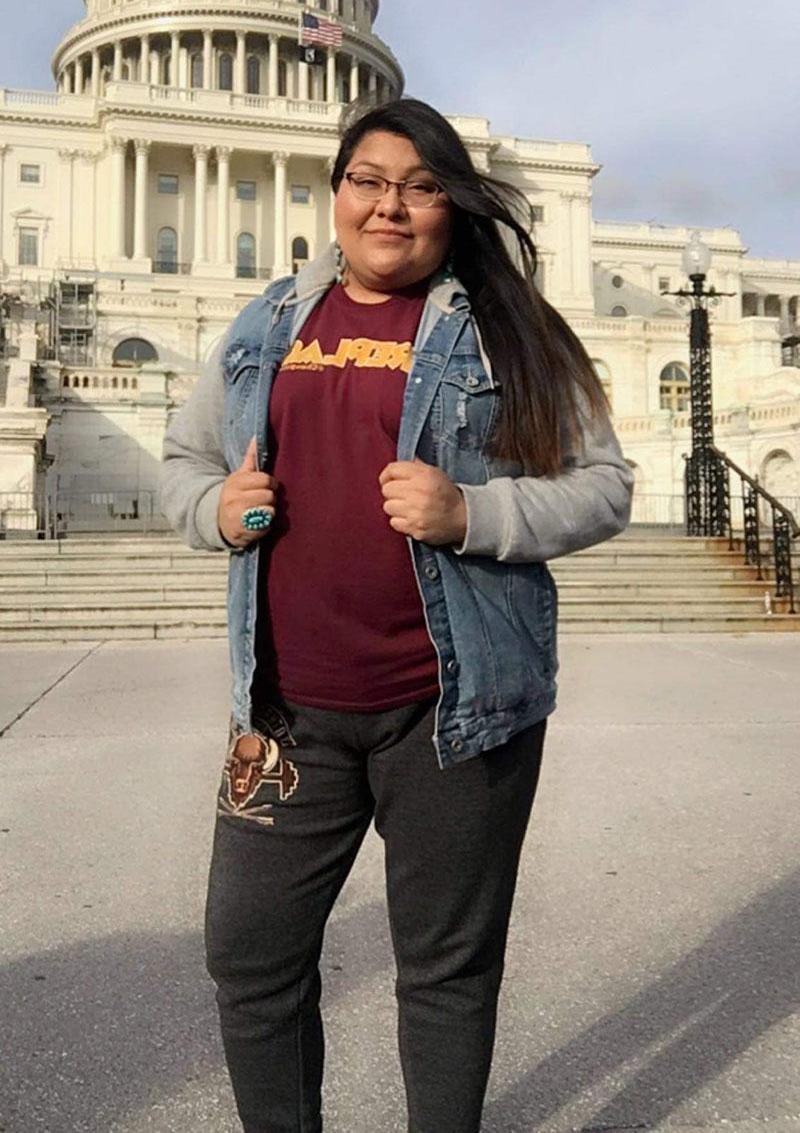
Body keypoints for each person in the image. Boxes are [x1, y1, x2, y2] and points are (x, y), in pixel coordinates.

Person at [158, 96, 633, 1133]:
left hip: (452, 710)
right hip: (284, 709)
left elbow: (603, 486)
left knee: (445, 969)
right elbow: (185, 467)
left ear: (451, 207)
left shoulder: (510, 332)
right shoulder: (266, 323)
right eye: (368, 180)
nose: (390, 206)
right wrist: (215, 510)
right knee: (247, 953)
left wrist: (473, 510)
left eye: (420, 186)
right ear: (334, 195)